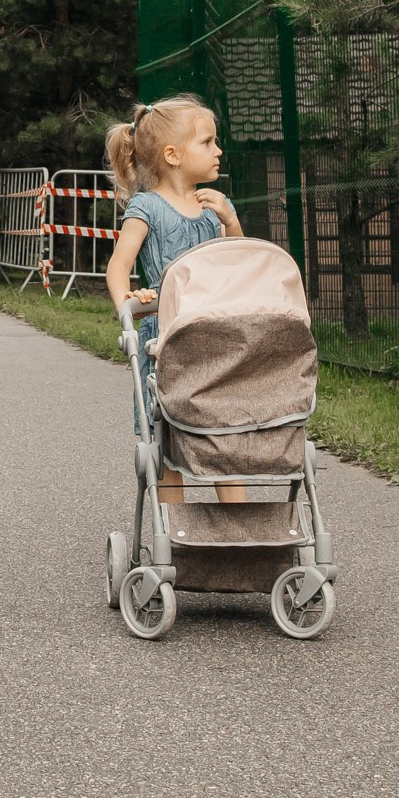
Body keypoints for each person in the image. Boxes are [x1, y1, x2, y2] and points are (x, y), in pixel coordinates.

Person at [103, 94, 246, 500]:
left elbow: (240, 260)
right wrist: (129, 301)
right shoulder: (147, 206)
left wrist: (231, 219)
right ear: (173, 155)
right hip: (162, 340)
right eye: (208, 142)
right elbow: (118, 268)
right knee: (167, 446)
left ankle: (239, 533)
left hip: (213, 336)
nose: (219, 151)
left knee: (223, 440)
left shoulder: (216, 207)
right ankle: (176, 537)